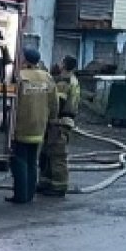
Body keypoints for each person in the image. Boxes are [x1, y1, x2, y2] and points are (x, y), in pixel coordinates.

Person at [9, 47, 56, 204]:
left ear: (25, 60)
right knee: (32, 161)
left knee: (20, 160)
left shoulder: (20, 76)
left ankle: (20, 196)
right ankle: (29, 195)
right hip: (39, 126)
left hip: (22, 125)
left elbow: (12, 102)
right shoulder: (47, 78)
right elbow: (54, 103)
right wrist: (52, 121)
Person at [40, 55, 80, 198]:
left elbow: (59, 102)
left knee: (57, 156)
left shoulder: (64, 81)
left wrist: (49, 116)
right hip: (64, 121)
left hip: (59, 122)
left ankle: (59, 186)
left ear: (64, 65)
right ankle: (46, 183)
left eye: (61, 61)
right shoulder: (73, 79)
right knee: (48, 153)